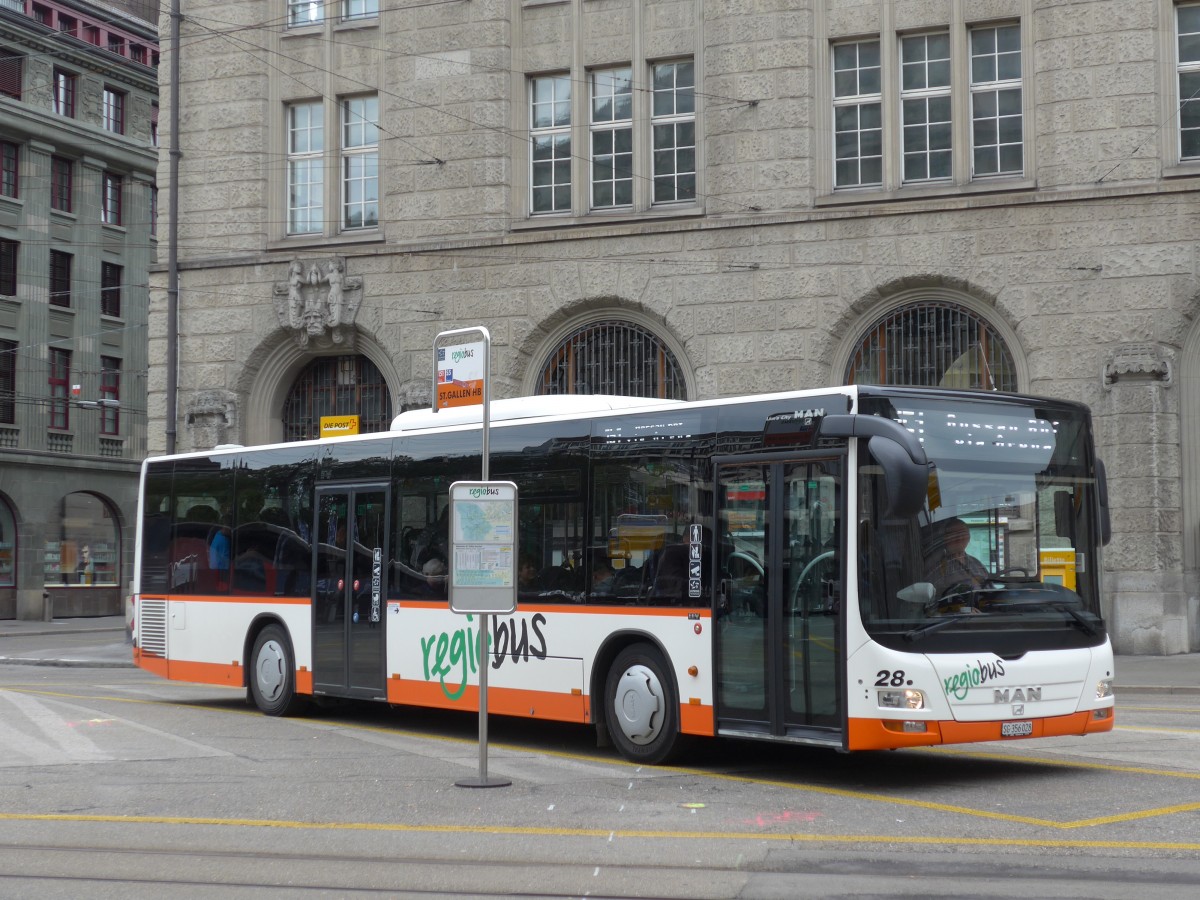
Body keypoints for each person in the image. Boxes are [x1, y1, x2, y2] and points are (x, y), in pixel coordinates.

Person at [927, 518, 988, 596]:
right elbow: (933, 596)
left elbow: (990, 590)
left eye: (963, 534)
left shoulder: (977, 564)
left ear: (969, 537)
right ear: (945, 538)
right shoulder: (937, 565)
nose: (959, 538)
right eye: (954, 534)